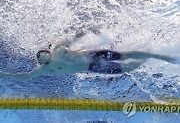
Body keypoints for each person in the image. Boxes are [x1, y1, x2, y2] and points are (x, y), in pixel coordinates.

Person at [0, 43, 177, 81]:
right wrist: (4, 76)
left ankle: (160, 56)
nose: (41, 58)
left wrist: (86, 31)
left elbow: (74, 38)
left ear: (47, 51)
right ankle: (148, 56)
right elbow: (24, 77)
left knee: (124, 55)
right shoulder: (48, 70)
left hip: (92, 55)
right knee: (126, 68)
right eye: (38, 59)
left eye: (41, 54)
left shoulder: (59, 49)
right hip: (91, 67)